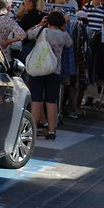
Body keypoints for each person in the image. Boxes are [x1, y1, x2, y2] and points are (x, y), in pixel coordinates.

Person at [27, 11, 73, 140]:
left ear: (49, 21)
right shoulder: (64, 36)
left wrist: (39, 24)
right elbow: (70, 44)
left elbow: (27, 34)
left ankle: (34, 129)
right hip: (54, 70)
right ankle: (52, 131)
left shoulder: (41, 31)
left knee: (36, 100)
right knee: (51, 101)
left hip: (38, 68)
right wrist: (65, 26)